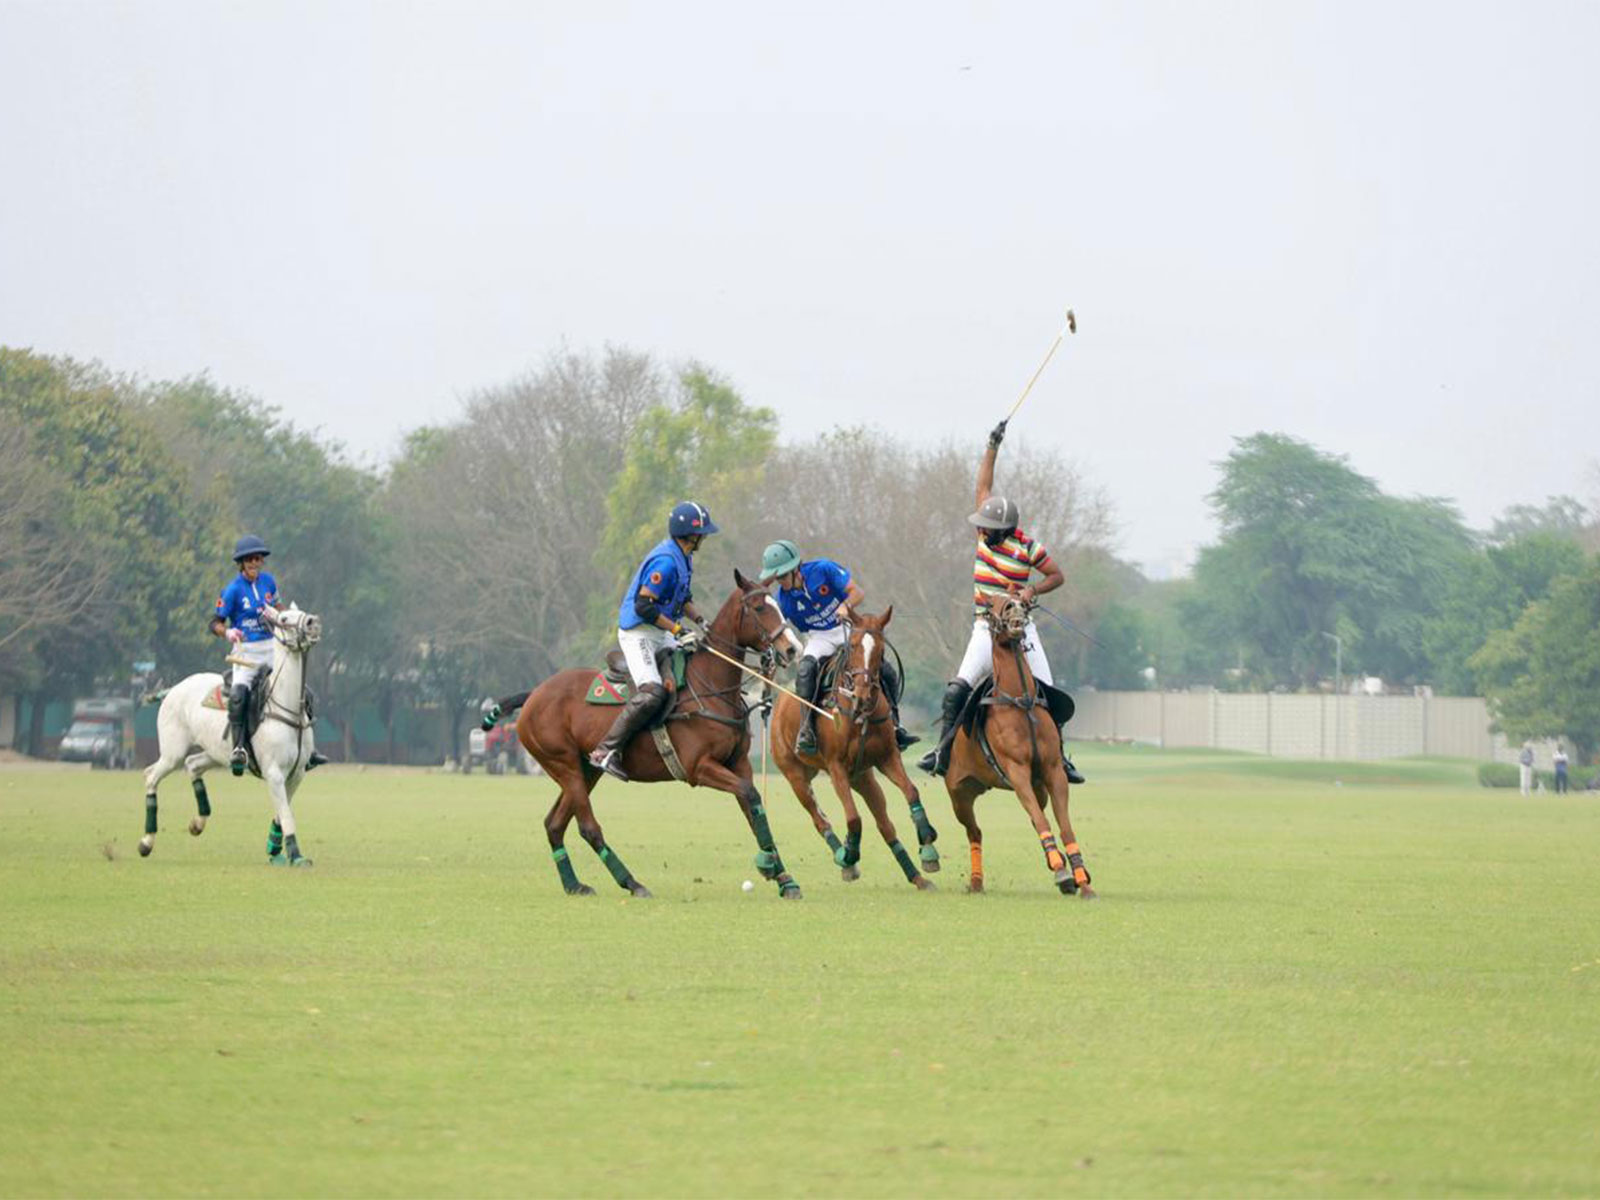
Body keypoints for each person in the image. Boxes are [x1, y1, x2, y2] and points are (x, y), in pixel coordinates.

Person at [918, 419, 1085, 783]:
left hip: (1020, 628)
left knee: (1049, 695)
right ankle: (942, 752)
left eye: (987, 527)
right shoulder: (983, 535)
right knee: (957, 689)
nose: (980, 528)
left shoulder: (1028, 547)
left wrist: (1031, 591)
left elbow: (1057, 576)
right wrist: (992, 445)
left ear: (1004, 529)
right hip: (985, 627)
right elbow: (983, 486)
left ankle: (1061, 759)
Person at [589, 501, 717, 781]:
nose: (704, 537)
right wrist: (677, 629)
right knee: (652, 693)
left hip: (660, 632)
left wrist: (701, 622)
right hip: (639, 633)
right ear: (689, 535)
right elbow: (644, 606)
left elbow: (683, 599)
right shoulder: (666, 562)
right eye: (702, 533)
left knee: (694, 661)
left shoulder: (685, 558)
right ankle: (605, 751)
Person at [758, 539, 916, 755]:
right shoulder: (783, 600)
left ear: (796, 568)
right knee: (805, 670)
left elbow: (857, 592)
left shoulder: (823, 569)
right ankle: (807, 729)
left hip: (847, 629)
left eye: (784, 575)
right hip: (818, 637)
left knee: (885, 669)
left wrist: (846, 605)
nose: (781, 582)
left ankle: (896, 725)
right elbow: (777, 630)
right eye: (777, 578)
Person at [211, 535, 279, 776]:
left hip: (272, 648)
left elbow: (278, 608)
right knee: (239, 696)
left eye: (258, 558)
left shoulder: (269, 582)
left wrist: (285, 617)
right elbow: (215, 623)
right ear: (241, 562)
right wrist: (227, 632)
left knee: (299, 687)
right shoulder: (232, 590)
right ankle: (239, 748)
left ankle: (307, 749)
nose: (254, 562)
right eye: (250, 559)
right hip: (246, 653)